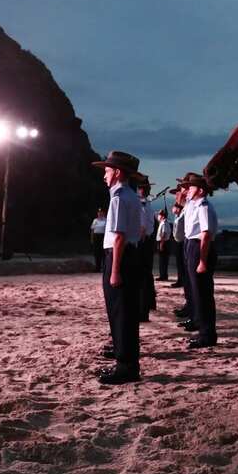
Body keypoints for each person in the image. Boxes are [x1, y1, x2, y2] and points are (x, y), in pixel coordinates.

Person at [92, 151, 144, 384]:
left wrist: (114, 270)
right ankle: (126, 363)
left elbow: (119, 237)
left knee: (120, 312)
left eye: (107, 170)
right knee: (126, 312)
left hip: (119, 256)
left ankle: (126, 367)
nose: (104, 175)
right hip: (127, 255)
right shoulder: (130, 195)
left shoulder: (119, 198)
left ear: (118, 173)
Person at [178, 172, 219, 349]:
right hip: (191, 246)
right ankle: (203, 330)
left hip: (199, 248)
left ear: (200, 190)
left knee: (202, 293)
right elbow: (183, 203)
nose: (187, 190)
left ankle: (207, 335)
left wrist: (202, 261)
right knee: (197, 292)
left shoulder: (204, 206)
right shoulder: (193, 205)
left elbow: (206, 235)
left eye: (191, 187)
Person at [135, 175, 157, 322]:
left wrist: (138, 240)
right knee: (147, 275)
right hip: (148, 241)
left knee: (141, 277)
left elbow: (142, 226)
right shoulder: (147, 204)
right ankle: (149, 304)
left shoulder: (141, 204)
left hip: (142, 241)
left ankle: (143, 311)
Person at [155, 209, 172, 281]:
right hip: (163, 242)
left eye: (159, 215)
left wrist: (161, 244)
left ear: (162, 216)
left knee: (163, 260)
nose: (158, 216)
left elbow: (163, 234)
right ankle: (163, 274)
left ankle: (163, 276)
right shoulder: (162, 222)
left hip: (164, 242)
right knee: (162, 260)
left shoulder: (164, 223)